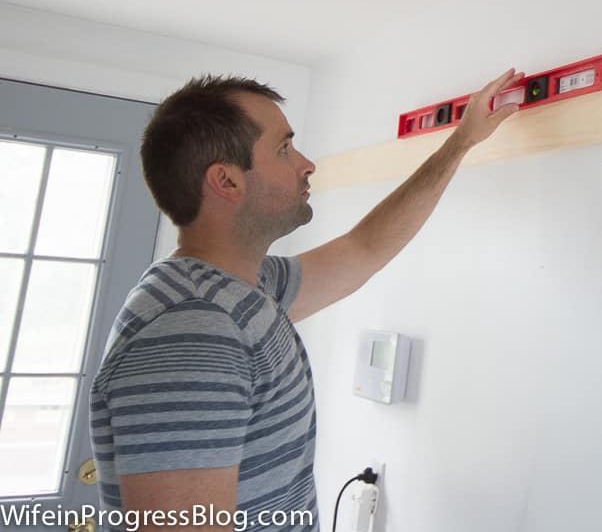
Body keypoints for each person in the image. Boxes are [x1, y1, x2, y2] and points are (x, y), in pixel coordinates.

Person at [89, 68, 525, 531]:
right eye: (283, 148)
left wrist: (460, 142)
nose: (306, 163)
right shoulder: (194, 331)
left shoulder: (243, 289)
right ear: (228, 181)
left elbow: (364, 249)